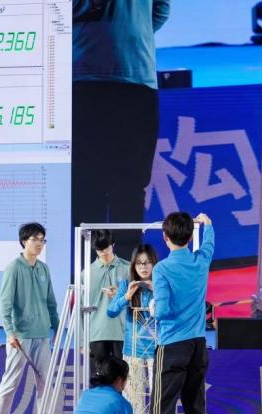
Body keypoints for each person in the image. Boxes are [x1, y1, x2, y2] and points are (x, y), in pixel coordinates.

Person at [72, 0, 171, 247]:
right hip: (123, 77)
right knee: (118, 187)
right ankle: (115, 265)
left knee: (101, 187)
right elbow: (160, 11)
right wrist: (132, 32)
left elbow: (161, 9)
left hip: (98, 77)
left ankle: (101, 265)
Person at [136, 212, 214, 414]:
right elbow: (209, 245)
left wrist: (153, 307)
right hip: (198, 345)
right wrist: (208, 225)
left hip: (171, 347)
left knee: (161, 413)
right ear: (190, 236)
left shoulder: (163, 269)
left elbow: (164, 311)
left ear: (165, 237)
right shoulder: (201, 261)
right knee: (195, 410)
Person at [0, 222, 59, 414]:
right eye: (35, 239)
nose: (39, 244)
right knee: (10, 383)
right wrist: (10, 332)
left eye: (42, 240)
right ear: (24, 241)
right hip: (20, 337)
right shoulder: (14, 268)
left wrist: (57, 328)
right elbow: (5, 303)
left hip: (42, 335)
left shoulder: (43, 269)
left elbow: (51, 303)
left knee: (45, 384)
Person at [107, 244, 158, 414]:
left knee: (158, 395)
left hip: (157, 350)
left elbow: (174, 310)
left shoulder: (161, 283)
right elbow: (111, 311)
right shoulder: (127, 284)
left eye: (148, 263)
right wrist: (126, 297)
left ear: (154, 264)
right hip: (133, 350)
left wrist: (157, 290)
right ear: (134, 266)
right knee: (133, 397)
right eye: (139, 263)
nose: (143, 267)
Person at [85, 230, 130, 365]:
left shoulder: (128, 269)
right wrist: (82, 340)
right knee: (100, 374)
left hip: (123, 333)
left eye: (107, 248)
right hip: (97, 333)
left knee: (125, 374)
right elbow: (80, 309)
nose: (104, 252)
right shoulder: (86, 273)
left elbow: (139, 301)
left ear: (113, 245)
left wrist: (121, 295)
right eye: (100, 249)